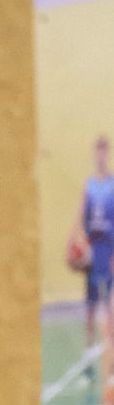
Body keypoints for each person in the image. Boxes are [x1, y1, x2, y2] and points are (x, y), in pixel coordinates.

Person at [75, 134, 114, 361]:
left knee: (109, 303)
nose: (100, 156)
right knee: (90, 302)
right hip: (93, 249)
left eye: (103, 152)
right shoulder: (88, 186)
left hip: (108, 250)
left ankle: (110, 345)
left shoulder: (112, 184)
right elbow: (82, 217)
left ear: (107, 154)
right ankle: (89, 346)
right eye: (97, 152)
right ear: (94, 155)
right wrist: (81, 243)